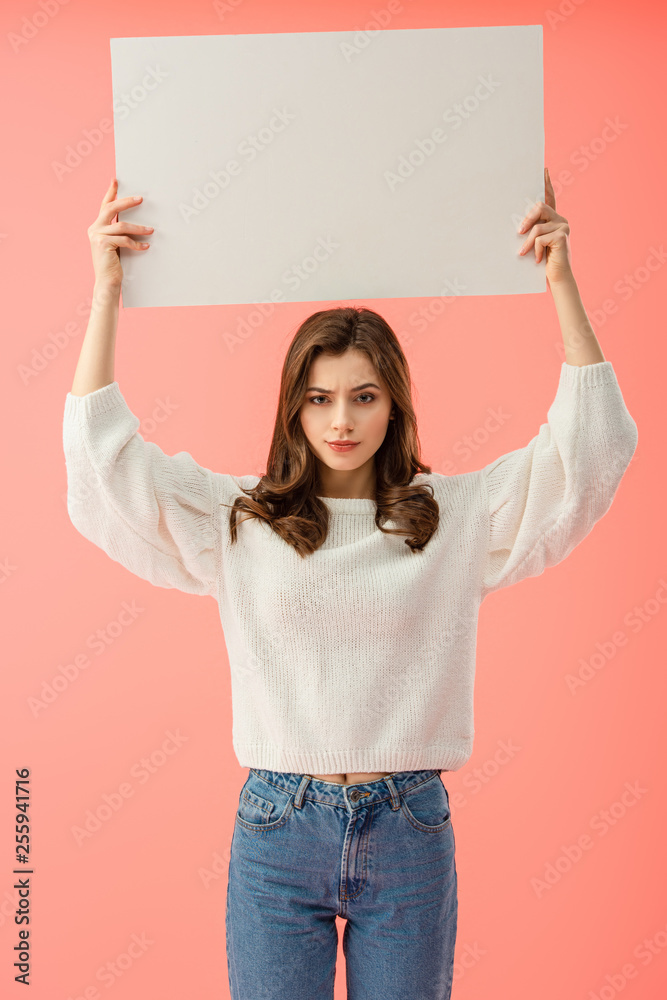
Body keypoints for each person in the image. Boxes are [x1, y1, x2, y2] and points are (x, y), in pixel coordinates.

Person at [63, 172, 638, 1000]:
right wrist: (107, 291)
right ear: (293, 408)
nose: (341, 422)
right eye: (320, 398)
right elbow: (104, 471)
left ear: (392, 405)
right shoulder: (242, 519)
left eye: (363, 398)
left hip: (407, 825)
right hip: (276, 824)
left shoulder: (448, 517)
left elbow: (587, 454)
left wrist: (560, 280)